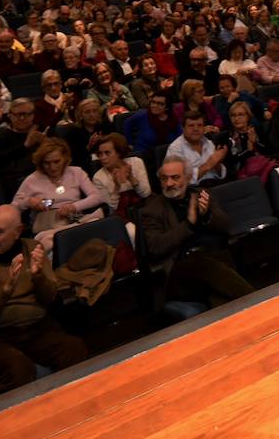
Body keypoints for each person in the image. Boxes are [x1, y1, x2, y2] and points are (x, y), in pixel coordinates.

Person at [0, 205, 87, 392]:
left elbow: (50, 298)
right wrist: (4, 291)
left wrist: (38, 278)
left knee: (74, 348)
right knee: (18, 367)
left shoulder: (33, 249)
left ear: (17, 232)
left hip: (37, 329)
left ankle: (71, 405)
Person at [139, 159, 253, 308]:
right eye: (164, 178)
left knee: (219, 273)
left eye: (175, 177)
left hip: (213, 259)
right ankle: (256, 301)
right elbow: (156, 247)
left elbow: (227, 226)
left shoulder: (201, 194)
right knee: (202, 262)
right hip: (180, 270)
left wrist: (207, 216)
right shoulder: (152, 210)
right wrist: (188, 225)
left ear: (187, 178)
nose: (169, 183)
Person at [11, 138, 114, 250]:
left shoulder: (76, 172)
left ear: (65, 159)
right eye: (47, 163)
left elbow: (97, 197)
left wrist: (74, 206)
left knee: (98, 225)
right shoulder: (32, 180)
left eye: (56, 162)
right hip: (47, 224)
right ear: (41, 162)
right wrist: (28, 202)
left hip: (73, 218)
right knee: (48, 241)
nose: (52, 167)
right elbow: (13, 208)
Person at [91, 133, 151, 223]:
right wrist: (116, 187)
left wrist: (131, 177)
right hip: (121, 217)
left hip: (145, 207)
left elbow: (146, 194)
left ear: (119, 152)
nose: (103, 158)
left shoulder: (136, 162)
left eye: (107, 153)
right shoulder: (98, 177)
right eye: (100, 154)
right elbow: (111, 210)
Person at [165, 111, 228, 185]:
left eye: (199, 125)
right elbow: (178, 180)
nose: (196, 129)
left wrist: (217, 163)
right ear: (183, 128)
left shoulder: (209, 143)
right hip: (192, 191)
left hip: (215, 186)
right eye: (191, 125)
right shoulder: (175, 149)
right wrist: (208, 165)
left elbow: (222, 175)